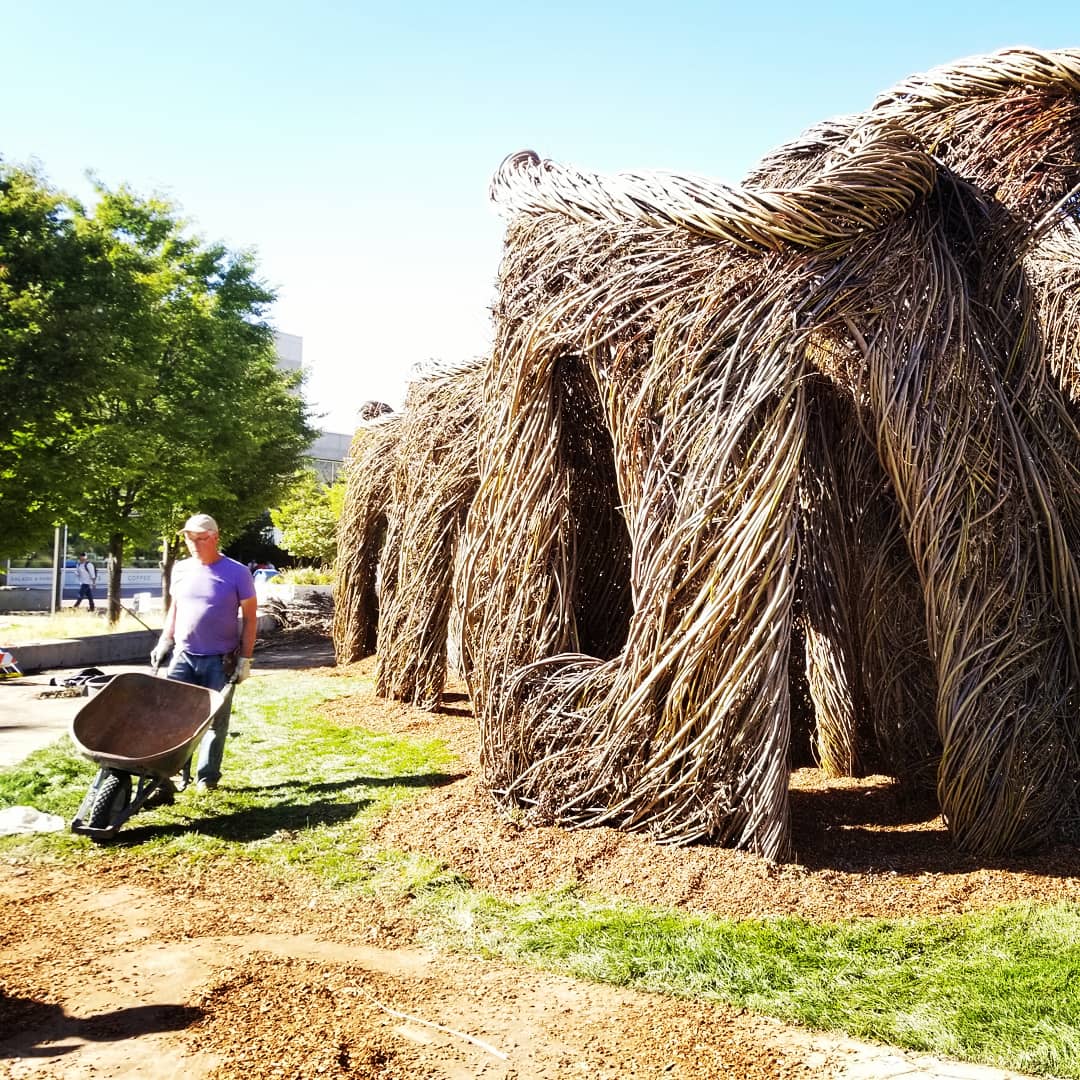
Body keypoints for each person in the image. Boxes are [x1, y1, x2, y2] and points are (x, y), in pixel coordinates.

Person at [150, 514, 257, 793]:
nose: (194, 543)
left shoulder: (237, 573)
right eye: (189, 537)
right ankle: (166, 778)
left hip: (220, 660)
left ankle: (206, 779)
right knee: (172, 718)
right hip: (183, 657)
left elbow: (250, 618)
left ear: (215, 538)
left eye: (200, 538)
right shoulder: (181, 569)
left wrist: (245, 659)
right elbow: (175, 607)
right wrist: (165, 639)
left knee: (214, 721)